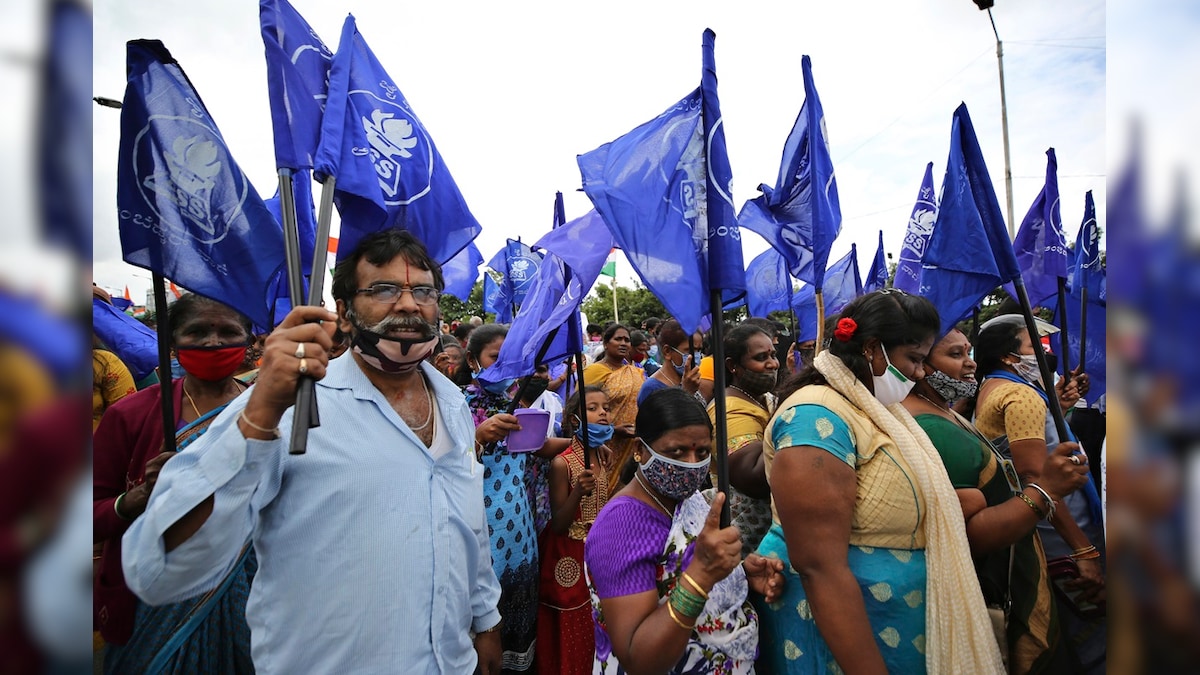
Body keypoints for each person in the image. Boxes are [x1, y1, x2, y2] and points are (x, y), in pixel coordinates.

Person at [121, 230, 503, 673]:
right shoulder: (285, 404)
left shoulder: (454, 405)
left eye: (423, 291)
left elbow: (468, 526)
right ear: (342, 313)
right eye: (383, 289)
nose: (408, 304)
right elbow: (159, 572)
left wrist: (486, 619)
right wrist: (260, 414)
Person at [754, 290, 1005, 674]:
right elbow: (820, 568)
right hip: (845, 643)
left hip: (893, 624)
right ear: (873, 349)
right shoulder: (815, 419)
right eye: (915, 359)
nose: (921, 373)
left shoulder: (875, 410)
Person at [902, 327, 1089, 673]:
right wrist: (1045, 490)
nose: (971, 364)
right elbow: (968, 534)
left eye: (968, 352)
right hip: (998, 576)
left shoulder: (943, 408)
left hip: (1014, 565)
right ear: (919, 365)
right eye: (955, 355)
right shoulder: (931, 425)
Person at [93, 293, 255, 673]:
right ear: (172, 343)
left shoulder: (275, 412)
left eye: (227, 332)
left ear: (248, 343)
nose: (213, 342)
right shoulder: (131, 415)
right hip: (156, 598)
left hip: (253, 593)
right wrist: (134, 501)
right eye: (197, 331)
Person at [584, 388, 785, 674]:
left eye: (702, 452)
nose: (691, 464)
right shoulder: (623, 526)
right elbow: (638, 657)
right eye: (676, 451)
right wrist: (703, 575)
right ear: (640, 450)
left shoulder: (690, 501)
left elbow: (678, 570)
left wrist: (735, 576)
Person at [973, 314, 1106, 673]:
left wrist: (1058, 408)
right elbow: (1036, 475)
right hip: (1061, 530)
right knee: (1093, 632)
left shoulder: (991, 388)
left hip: (1037, 528)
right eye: (1034, 346)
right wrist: (1084, 549)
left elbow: (1028, 447)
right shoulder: (1019, 395)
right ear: (1009, 356)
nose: (1043, 353)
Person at [463, 324, 574, 673]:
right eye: (495, 359)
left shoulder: (514, 404)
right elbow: (444, 463)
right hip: (480, 529)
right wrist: (478, 437)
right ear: (472, 360)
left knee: (519, 616)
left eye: (511, 361)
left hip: (519, 530)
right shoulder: (457, 405)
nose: (504, 368)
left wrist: (581, 442)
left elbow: (538, 448)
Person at [537, 385, 612, 675]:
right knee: (572, 619)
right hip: (567, 550)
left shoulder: (603, 456)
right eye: (592, 408)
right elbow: (559, 523)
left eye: (605, 407)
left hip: (596, 550)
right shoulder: (562, 463)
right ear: (575, 419)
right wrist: (578, 492)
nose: (603, 413)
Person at [713, 323, 779, 557]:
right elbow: (751, 475)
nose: (773, 364)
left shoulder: (767, 399)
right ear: (733, 366)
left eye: (772, 355)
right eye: (761, 358)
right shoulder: (729, 409)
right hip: (740, 535)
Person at [582, 324, 645, 494]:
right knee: (598, 494)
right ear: (605, 343)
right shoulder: (593, 372)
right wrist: (614, 430)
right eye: (618, 339)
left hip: (632, 446)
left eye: (627, 340)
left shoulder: (635, 372)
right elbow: (579, 411)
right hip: (602, 446)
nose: (624, 343)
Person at [637, 319, 702, 406]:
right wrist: (687, 392)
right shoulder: (652, 389)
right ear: (667, 351)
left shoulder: (690, 380)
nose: (696, 356)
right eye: (690, 350)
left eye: (699, 350)